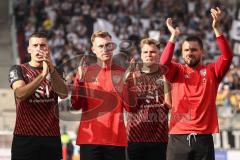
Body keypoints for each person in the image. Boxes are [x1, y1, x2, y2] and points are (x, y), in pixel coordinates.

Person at [160, 7, 233, 160]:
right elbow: (163, 62)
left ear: (202, 52)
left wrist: (217, 28)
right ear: (182, 52)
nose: (189, 53)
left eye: (194, 50)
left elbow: (227, 56)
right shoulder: (176, 70)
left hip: (203, 138)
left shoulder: (213, 71)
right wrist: (173, 36)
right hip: (177, 136)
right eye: (186, 50)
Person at [71, 31, 136, 160]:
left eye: (108, 45)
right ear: (93, 49)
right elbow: (76, 105)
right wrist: (80, 81)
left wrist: (129, 83)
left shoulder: (123, 73)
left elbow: (131, 108)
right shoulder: (85, 72)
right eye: (100, 46)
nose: (105, 49)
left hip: (115, 141)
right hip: (90, 140)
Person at [8, 32, 68, 160]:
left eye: (43, 45)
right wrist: (42, 75)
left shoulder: (57, 71)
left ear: (48, 49)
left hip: (51, 137)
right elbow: (20, 94)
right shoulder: (18, 69)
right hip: (24, 136)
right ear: (29, 49)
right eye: (35, 45)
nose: (39, 49)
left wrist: (51, 71)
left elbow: (63, 94)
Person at [126, 38, 171, 160]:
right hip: (134, 139)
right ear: (141, 54)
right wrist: (130, 82)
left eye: (152, 52)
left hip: (159, 139)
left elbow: (169, 105)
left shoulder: (165, 75)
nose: (149, 55)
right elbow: (130, 107)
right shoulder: (133, 75)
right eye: (145, 52)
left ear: (159, 54)